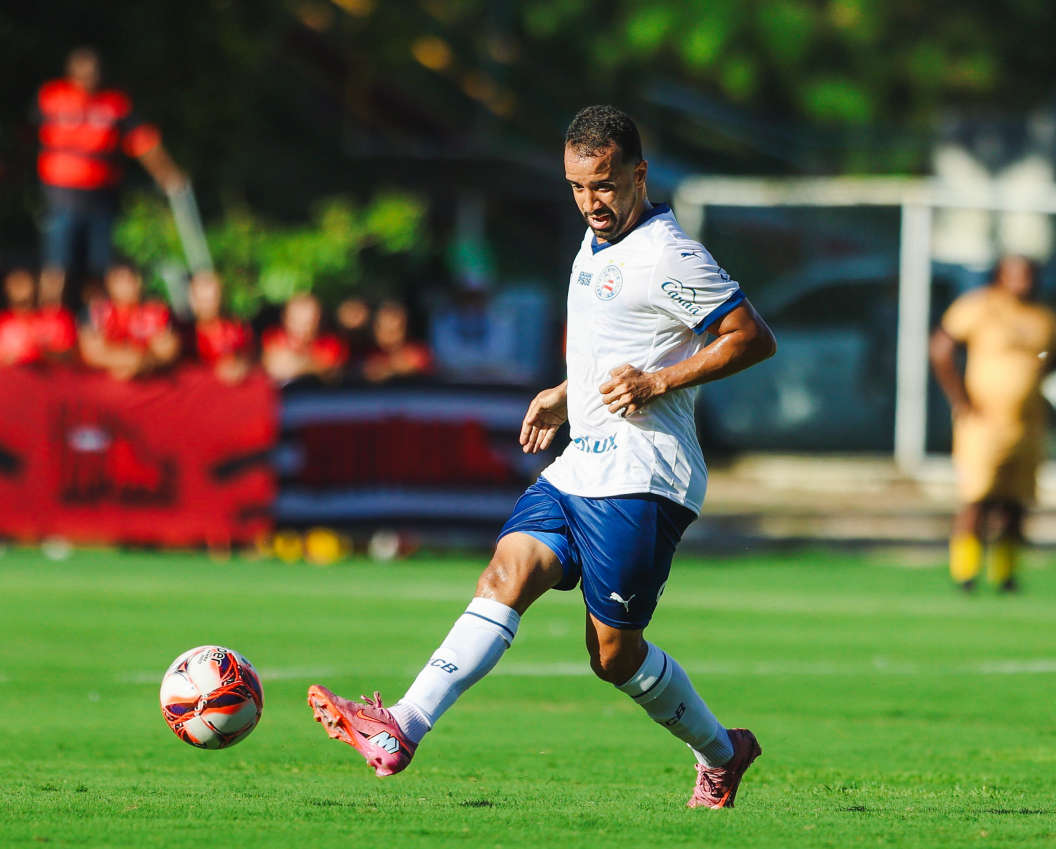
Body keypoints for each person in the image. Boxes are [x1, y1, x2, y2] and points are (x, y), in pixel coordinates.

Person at [307, 105, 777, 809]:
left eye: (606, 185)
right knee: (506, 569)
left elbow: (752, 336)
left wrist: (659, 382)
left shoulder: (669, 254)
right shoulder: (595, 241)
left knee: (613, 655)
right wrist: (566, 394)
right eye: (578, 187)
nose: (592, 202)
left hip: (643, 478)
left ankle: (722, 750)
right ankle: (401, 726)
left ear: (639, 175)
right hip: (580, 463)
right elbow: (622, 342)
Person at [930, 255, 1056, 592]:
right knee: (978, 498)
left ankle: (1006, 575)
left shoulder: (1044, 317)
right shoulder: (979, 307)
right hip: (983, 421)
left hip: (1028, 423)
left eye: (1029, 275)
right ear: (1001, 276)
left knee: (1015, 503)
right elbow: (942, 349)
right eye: (1016, 275)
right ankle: (966, 573)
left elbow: (1051, 362)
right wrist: (960, 400)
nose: (1024, 282)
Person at [36, 47, 184, 307]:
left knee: (100, 267)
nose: (88, 78)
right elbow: (25, 140)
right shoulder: (51, 97)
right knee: (56, 265)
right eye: (82, 72)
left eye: (93, 72)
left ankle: (100, 323)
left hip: (100, 198)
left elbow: (142, 140)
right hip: (61, 197)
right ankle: (50, 322)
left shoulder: (114, 104)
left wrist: (166, 172)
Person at [79, 260, 178, 380]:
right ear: (109, 283)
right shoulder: (97, 312)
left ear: (139, 281)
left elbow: (167, 351)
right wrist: (128, 361)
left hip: (150, 382)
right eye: (119, 280)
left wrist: (140, 362)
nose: (126, 286)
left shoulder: (156, 311)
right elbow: (91, 353)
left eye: (130, 279)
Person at [0, 267, 76, 366]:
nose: (20, 287)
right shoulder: (0, 321)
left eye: (23, 283)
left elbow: (69, 353)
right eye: (16, 283)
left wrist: (45, 353)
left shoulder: (48, 319)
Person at [179, 270, 252, 383]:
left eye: (210, 299)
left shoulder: (238, 328)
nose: (205, 305)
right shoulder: (185, 336)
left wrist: (241, 366)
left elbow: (252, 357)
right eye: (200, 299)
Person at [261, 292, 346, 383]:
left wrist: (298, 364)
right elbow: (274, 368)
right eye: (297, 320)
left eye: (309, 322)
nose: (304, 328)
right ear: (286, 318)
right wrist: (313, 363)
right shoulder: (274, 337)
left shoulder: (330, 343)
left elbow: (330, 371)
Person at [362, 299, 432, 382]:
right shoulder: (365, 352)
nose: (389, 335)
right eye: (384, 329)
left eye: (396, 329)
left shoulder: (417, 353)